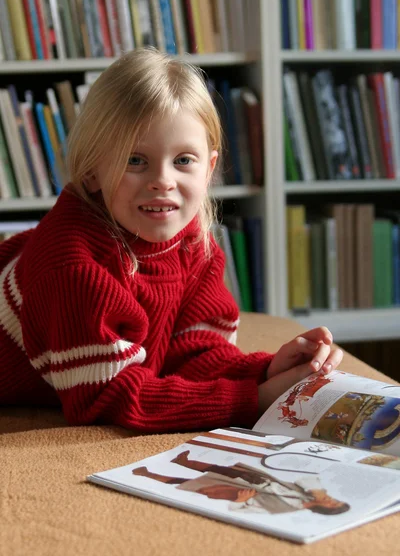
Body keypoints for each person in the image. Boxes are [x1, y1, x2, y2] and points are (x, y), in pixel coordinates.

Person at [0, 48, 343, 432]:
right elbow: (108, 395)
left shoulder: (196, 248)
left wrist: (266, 370)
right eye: (135, 160)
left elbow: (193, 353)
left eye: (183, 161)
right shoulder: (73, 267)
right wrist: (253, 400)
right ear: (92, 170)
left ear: (209, 169)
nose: (162, 180)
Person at [133, 450, 350, 515]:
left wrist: (240, 501)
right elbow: (306, 478)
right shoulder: (309, 493)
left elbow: (245, 511)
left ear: (324, 509)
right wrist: (317, 490)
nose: (331, 500)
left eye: (331, 504)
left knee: (192, 482)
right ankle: (184, 460)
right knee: (218, 468)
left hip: (244, 491)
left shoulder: (283, 510)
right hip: (259, 479)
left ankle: (147, 474)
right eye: (335, 500)